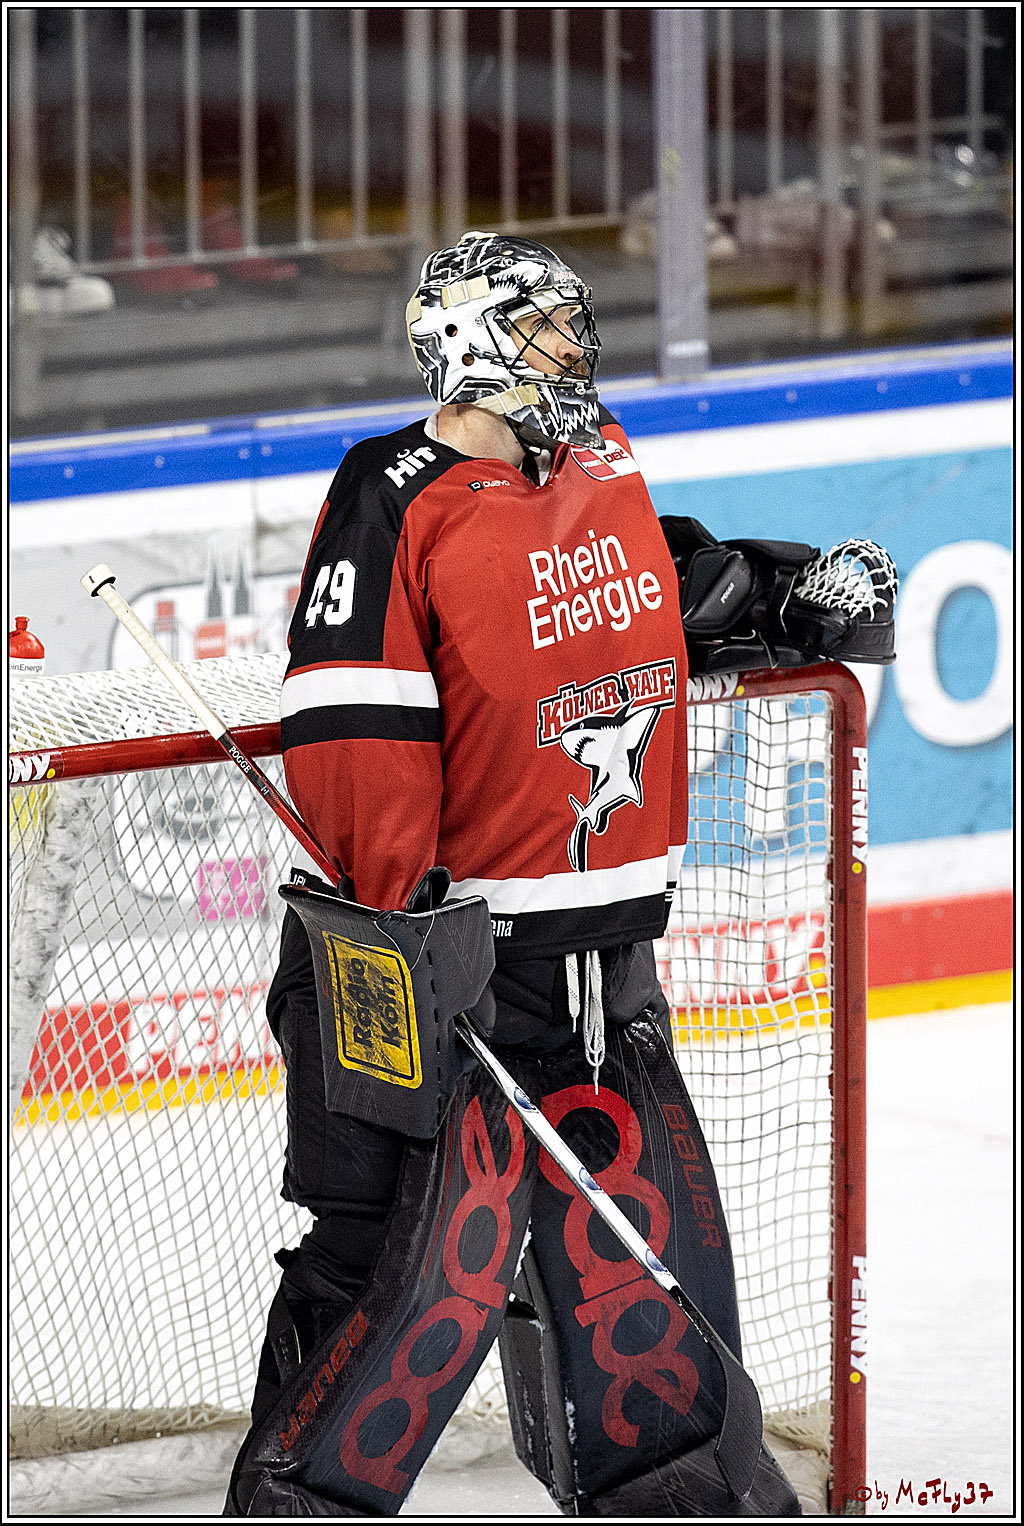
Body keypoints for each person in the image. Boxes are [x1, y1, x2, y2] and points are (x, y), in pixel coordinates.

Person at [225, 232, 799, 1517]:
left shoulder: (597, 459)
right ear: (473, 343)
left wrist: (781, 589)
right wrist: (406, 926)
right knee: (403, 1280)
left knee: (646, 1264)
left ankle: (684, 1500)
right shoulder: (393, 490)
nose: (576, 353)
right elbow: (354, 718)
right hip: (445, 963)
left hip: (607, 958)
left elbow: (663, 582)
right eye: (547, 331)